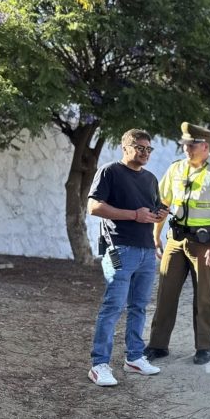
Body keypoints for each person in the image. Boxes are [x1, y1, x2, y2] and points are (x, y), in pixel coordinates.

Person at [144, 122, 210, 366]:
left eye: (192, 144)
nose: (186, 148)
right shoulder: (175, 169)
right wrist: (156, 233)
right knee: (165, 293)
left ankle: (203, 347)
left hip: (204, 243)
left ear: (205, 146)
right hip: (175, 240)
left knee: (204, 297)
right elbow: (163, 204)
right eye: (184, 144)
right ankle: (158, 344)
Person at [87, 129, 166, 386]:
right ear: (125, 147)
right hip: (118, 249)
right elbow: (94, 207)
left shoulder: (151, 179)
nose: (145, 153)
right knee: (113, 306)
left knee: (139, 307)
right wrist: (134, 215)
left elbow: (151, 210)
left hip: (145, 251)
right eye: (140, 147)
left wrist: (158, 215)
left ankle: (134, 357)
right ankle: (99, 365)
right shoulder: (110, 172)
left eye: (148, 149)